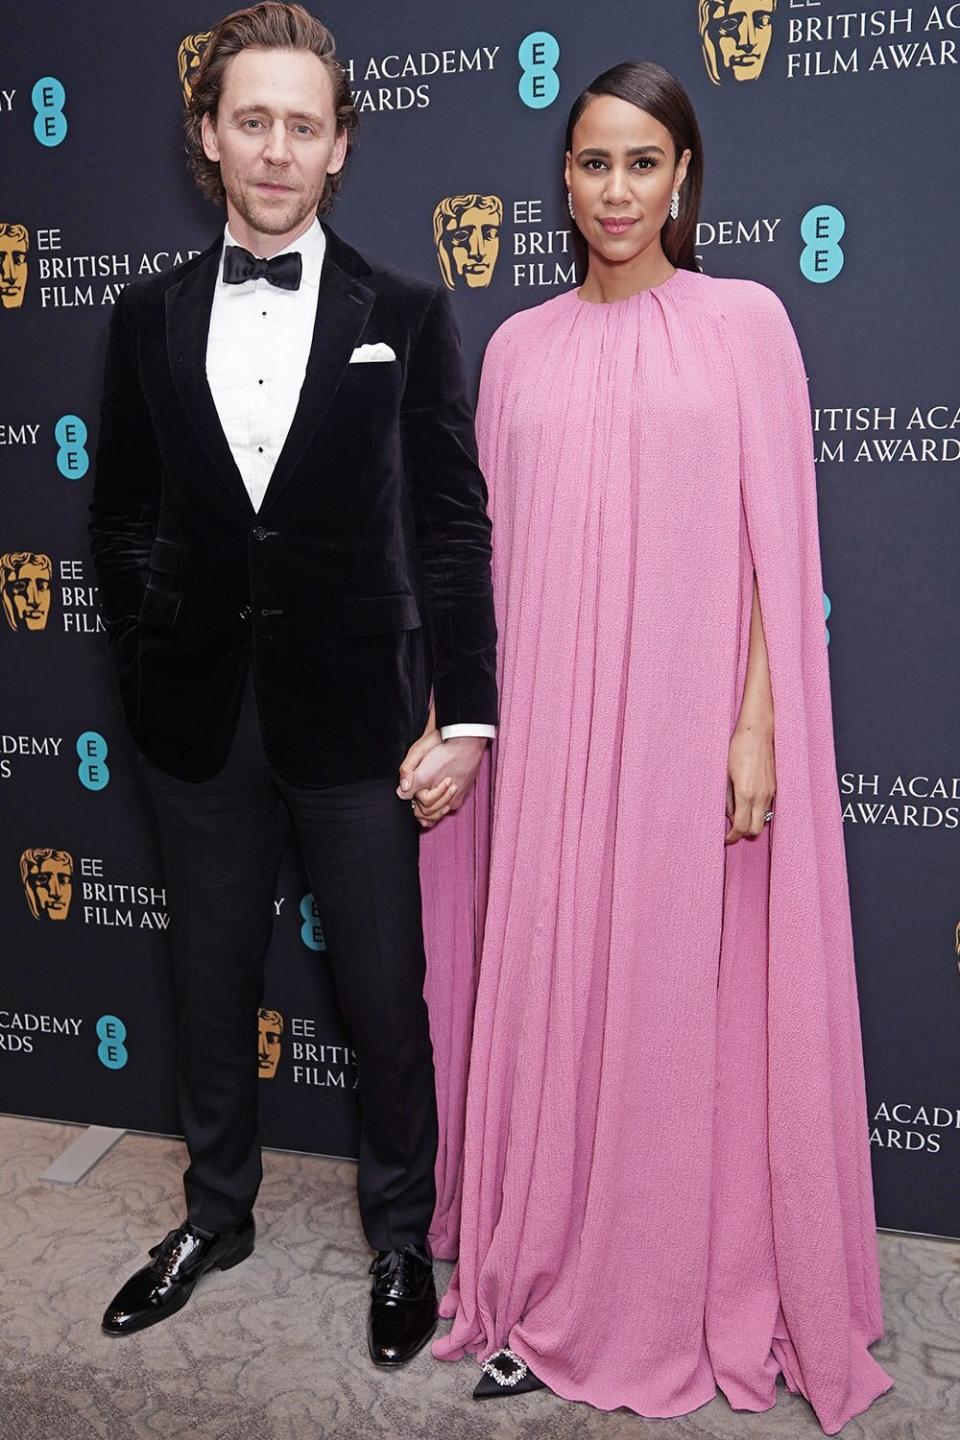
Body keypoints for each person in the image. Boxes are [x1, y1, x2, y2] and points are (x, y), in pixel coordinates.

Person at [420, 60, 893, 1434]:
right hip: (554, 729)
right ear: (559, 182)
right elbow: (482, 561)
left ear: (683, 174)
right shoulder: (514, 347)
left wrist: (756, 725)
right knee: (558, 986)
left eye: (642, 161)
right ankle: (540, 1270)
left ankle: (668, 1285)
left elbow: (771, 547)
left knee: (674, 1007)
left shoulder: (748, 322)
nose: (615, 189)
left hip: (690, 720)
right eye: (592, 163)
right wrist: (459, 716)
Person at [89, 2, 497, 1365]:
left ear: (340, 146)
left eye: (301, 125)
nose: (275, 148)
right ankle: (217, 1213)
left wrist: (472, 707)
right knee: (208, 985)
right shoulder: (143, 313)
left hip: (358, 720)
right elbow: (123, 515)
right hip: (197, 717)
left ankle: (401, 1237)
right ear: (209, 137)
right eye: (250, 120)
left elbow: (449, 523)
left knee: (384, 994)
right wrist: (147, 669)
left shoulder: (413, 311)